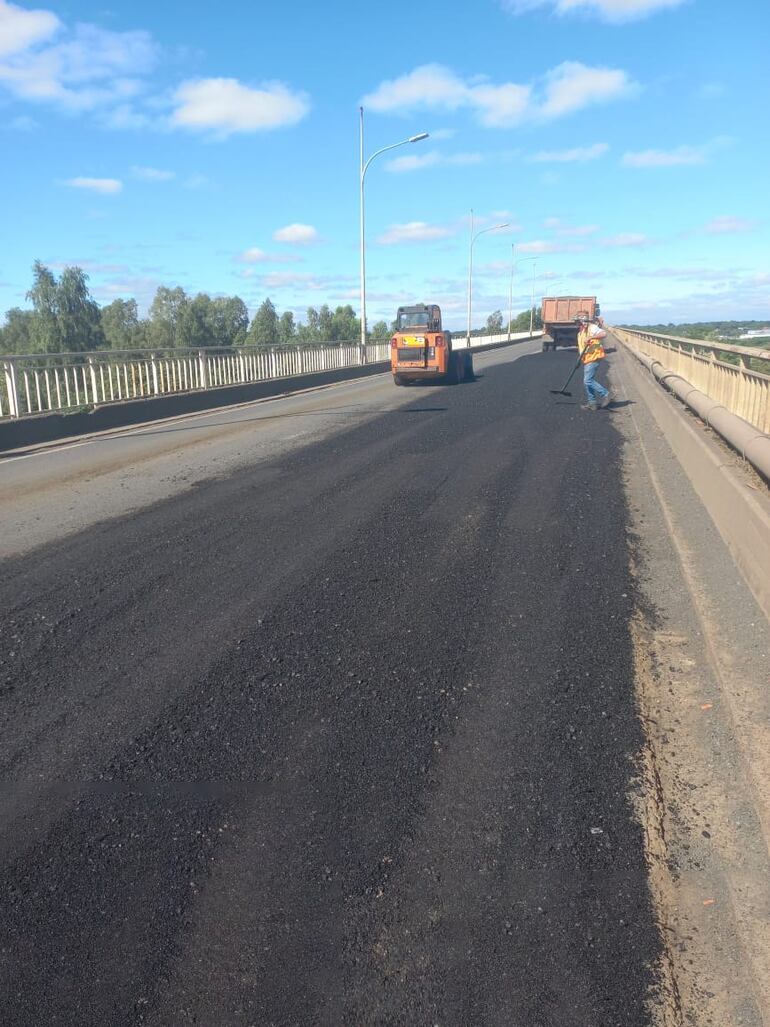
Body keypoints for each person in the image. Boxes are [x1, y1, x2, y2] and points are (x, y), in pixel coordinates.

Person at [576, 314, 610, 410]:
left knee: (587, 380)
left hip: (595, 357)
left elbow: (604, 334)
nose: (579, 324)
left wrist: (591, 338)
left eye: (580, 322)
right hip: (587, 358)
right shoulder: (580, 333)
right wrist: (579, 359)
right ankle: (592, 403)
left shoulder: (592, 328)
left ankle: (606, 394)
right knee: (587, 381)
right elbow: (582, 348)